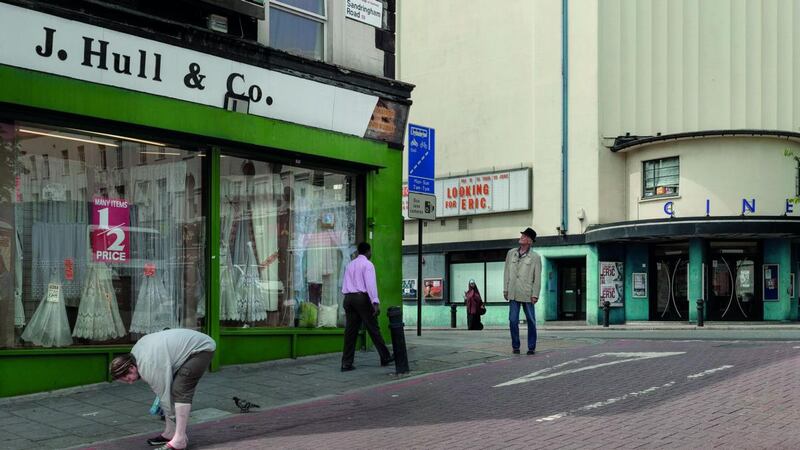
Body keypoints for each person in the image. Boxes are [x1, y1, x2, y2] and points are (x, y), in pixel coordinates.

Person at [110, 328, 216, 450]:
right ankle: (171, 433)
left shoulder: (148, 367)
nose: (130, 383)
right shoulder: (135, 354)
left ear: (131, 368)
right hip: (190, 346)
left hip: (201, 349)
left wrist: (171, 414)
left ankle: (180, 439)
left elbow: (165, 396)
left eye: (127, 378)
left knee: (180, 389)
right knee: (171, 392)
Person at [340, 242, 394, 371]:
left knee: (350, 332)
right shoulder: (368, 265)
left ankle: (346, 363)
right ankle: (385, 357)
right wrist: (375, 302)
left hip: (348, 298)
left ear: (358, 251)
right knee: (373, 328)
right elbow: (370, 285)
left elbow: (345, 283)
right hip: (361, 298)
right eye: (371, 251)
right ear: (368, 251)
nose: (371, 254)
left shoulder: (350, 265)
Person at [503, 227, 542, 355]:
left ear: (530, 241)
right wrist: (505, 289)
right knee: (513, 320)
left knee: (531, 321)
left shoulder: (535, 257)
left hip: (527, 293)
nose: (521, 237)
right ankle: (515, 346)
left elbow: (537, 278)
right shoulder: (511, 253)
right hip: (513, 292)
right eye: (522, 235)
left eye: (524, 236)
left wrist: (535, 294)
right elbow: (506, 272)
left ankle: (531, 347)